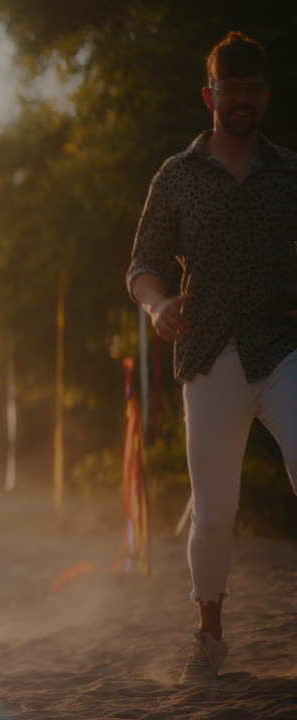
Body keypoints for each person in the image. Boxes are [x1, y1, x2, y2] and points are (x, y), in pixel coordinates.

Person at [127, 31, 297, 684]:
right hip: (210, 356)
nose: (245, 99)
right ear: (210, 96)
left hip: (281, 348)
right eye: (232, 90)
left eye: (255, 89)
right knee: (214, 508)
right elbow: (142, 262)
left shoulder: (288, 171)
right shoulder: (176, 176)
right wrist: (156, 306)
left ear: (266, 94)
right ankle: (210, 635)